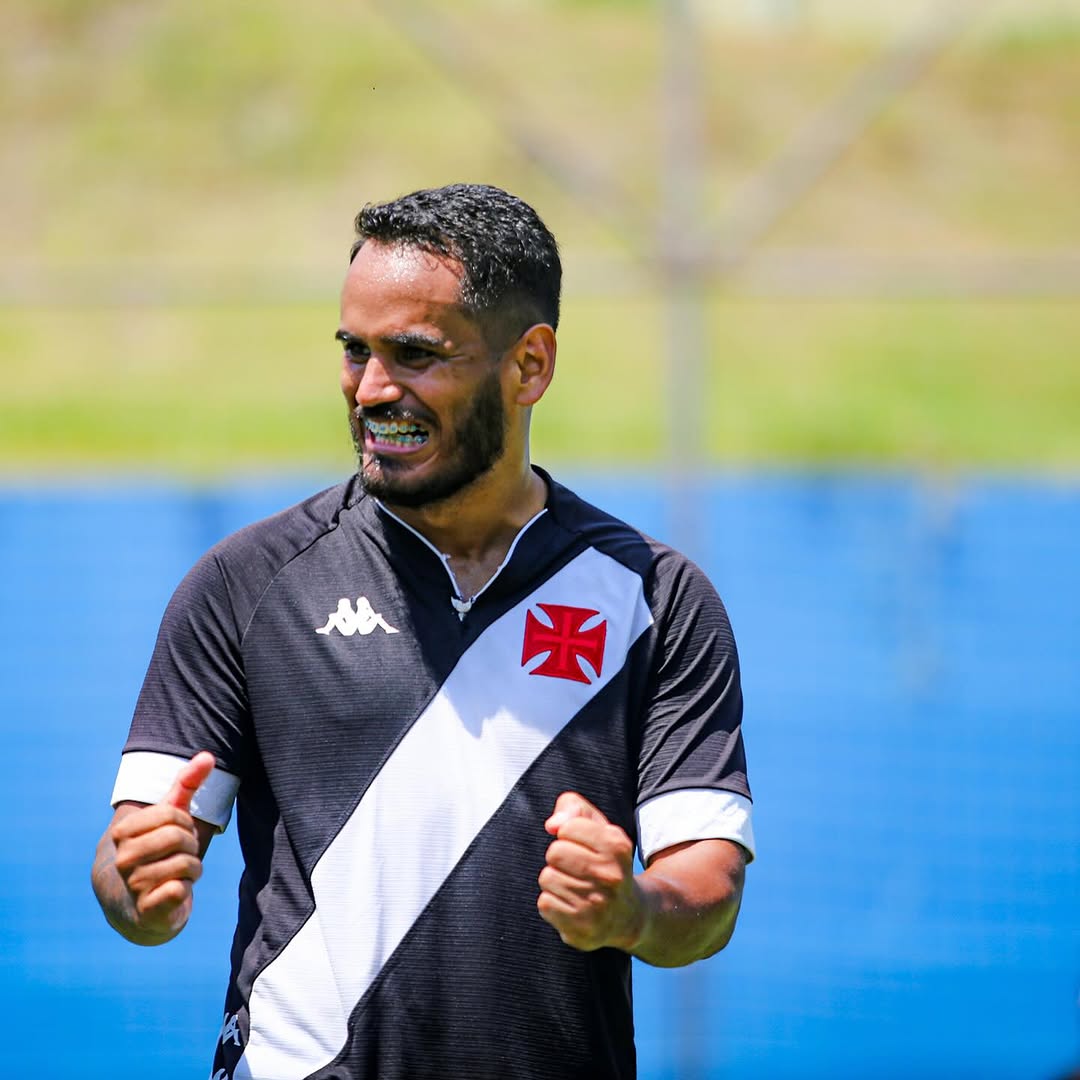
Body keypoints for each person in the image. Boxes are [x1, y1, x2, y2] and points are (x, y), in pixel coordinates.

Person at [91, 182, 755, 1080]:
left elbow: (708, 893)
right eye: (354, 350)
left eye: (414, 354)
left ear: (529, 366)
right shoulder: (245, 584)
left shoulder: (655, 600)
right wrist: (137, 886)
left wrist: (632, 911)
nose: (372, 389)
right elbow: (127, 869)